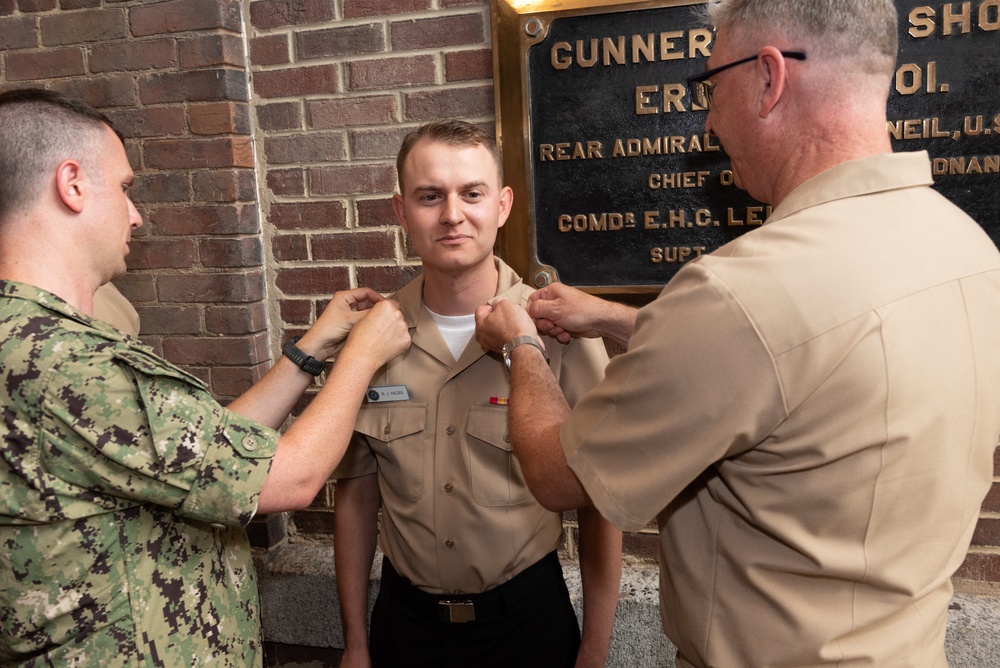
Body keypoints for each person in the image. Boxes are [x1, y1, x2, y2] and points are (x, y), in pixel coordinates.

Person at [474, 1, 1000, 666]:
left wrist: (520, 345)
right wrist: (614, 318)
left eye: (710, 85)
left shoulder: (741, 292)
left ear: (769, 77)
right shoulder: (969, 247)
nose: (708, 119)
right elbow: (810, 367)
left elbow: (557, 475)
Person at [0, 88, 410, 666]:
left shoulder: (26, 340)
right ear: (72, 184)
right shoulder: (68, 362)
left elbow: (203, 452)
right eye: (123, 188)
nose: (136, 213)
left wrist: (311, 351)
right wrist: (362, 356)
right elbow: (289, 480)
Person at [332, 120, 621, 668]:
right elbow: (357, 495)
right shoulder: (372, 340)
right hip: (404, 628)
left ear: (503, 205)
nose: (452, 215)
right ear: (401, 212)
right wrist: (355, 642)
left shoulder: (560, 335)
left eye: (472, 193)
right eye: (429, 196)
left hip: (527, 627)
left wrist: (595, 648)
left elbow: (600, 503)